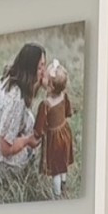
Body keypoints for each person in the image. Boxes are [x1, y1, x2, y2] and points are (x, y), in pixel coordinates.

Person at [0, 41, 45, 198]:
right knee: (28, 155)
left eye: (44, 65)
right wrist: (27, 141)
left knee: (30, 122)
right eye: (40, 67)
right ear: (30, 69)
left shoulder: (10, 77)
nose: (43, 71)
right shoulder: (15, 99)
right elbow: (4, 148)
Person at [34, 57, 75, 198]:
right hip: (65, 133)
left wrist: (38, 133)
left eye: (45, 76)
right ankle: (64, 184)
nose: (43, 75)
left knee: (56, 168)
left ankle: (57, 195)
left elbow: (39, 126)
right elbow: (68, 112)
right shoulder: (64, 96)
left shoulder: (46, 104)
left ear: (50, 86)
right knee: (63, 162)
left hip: (55, 140)